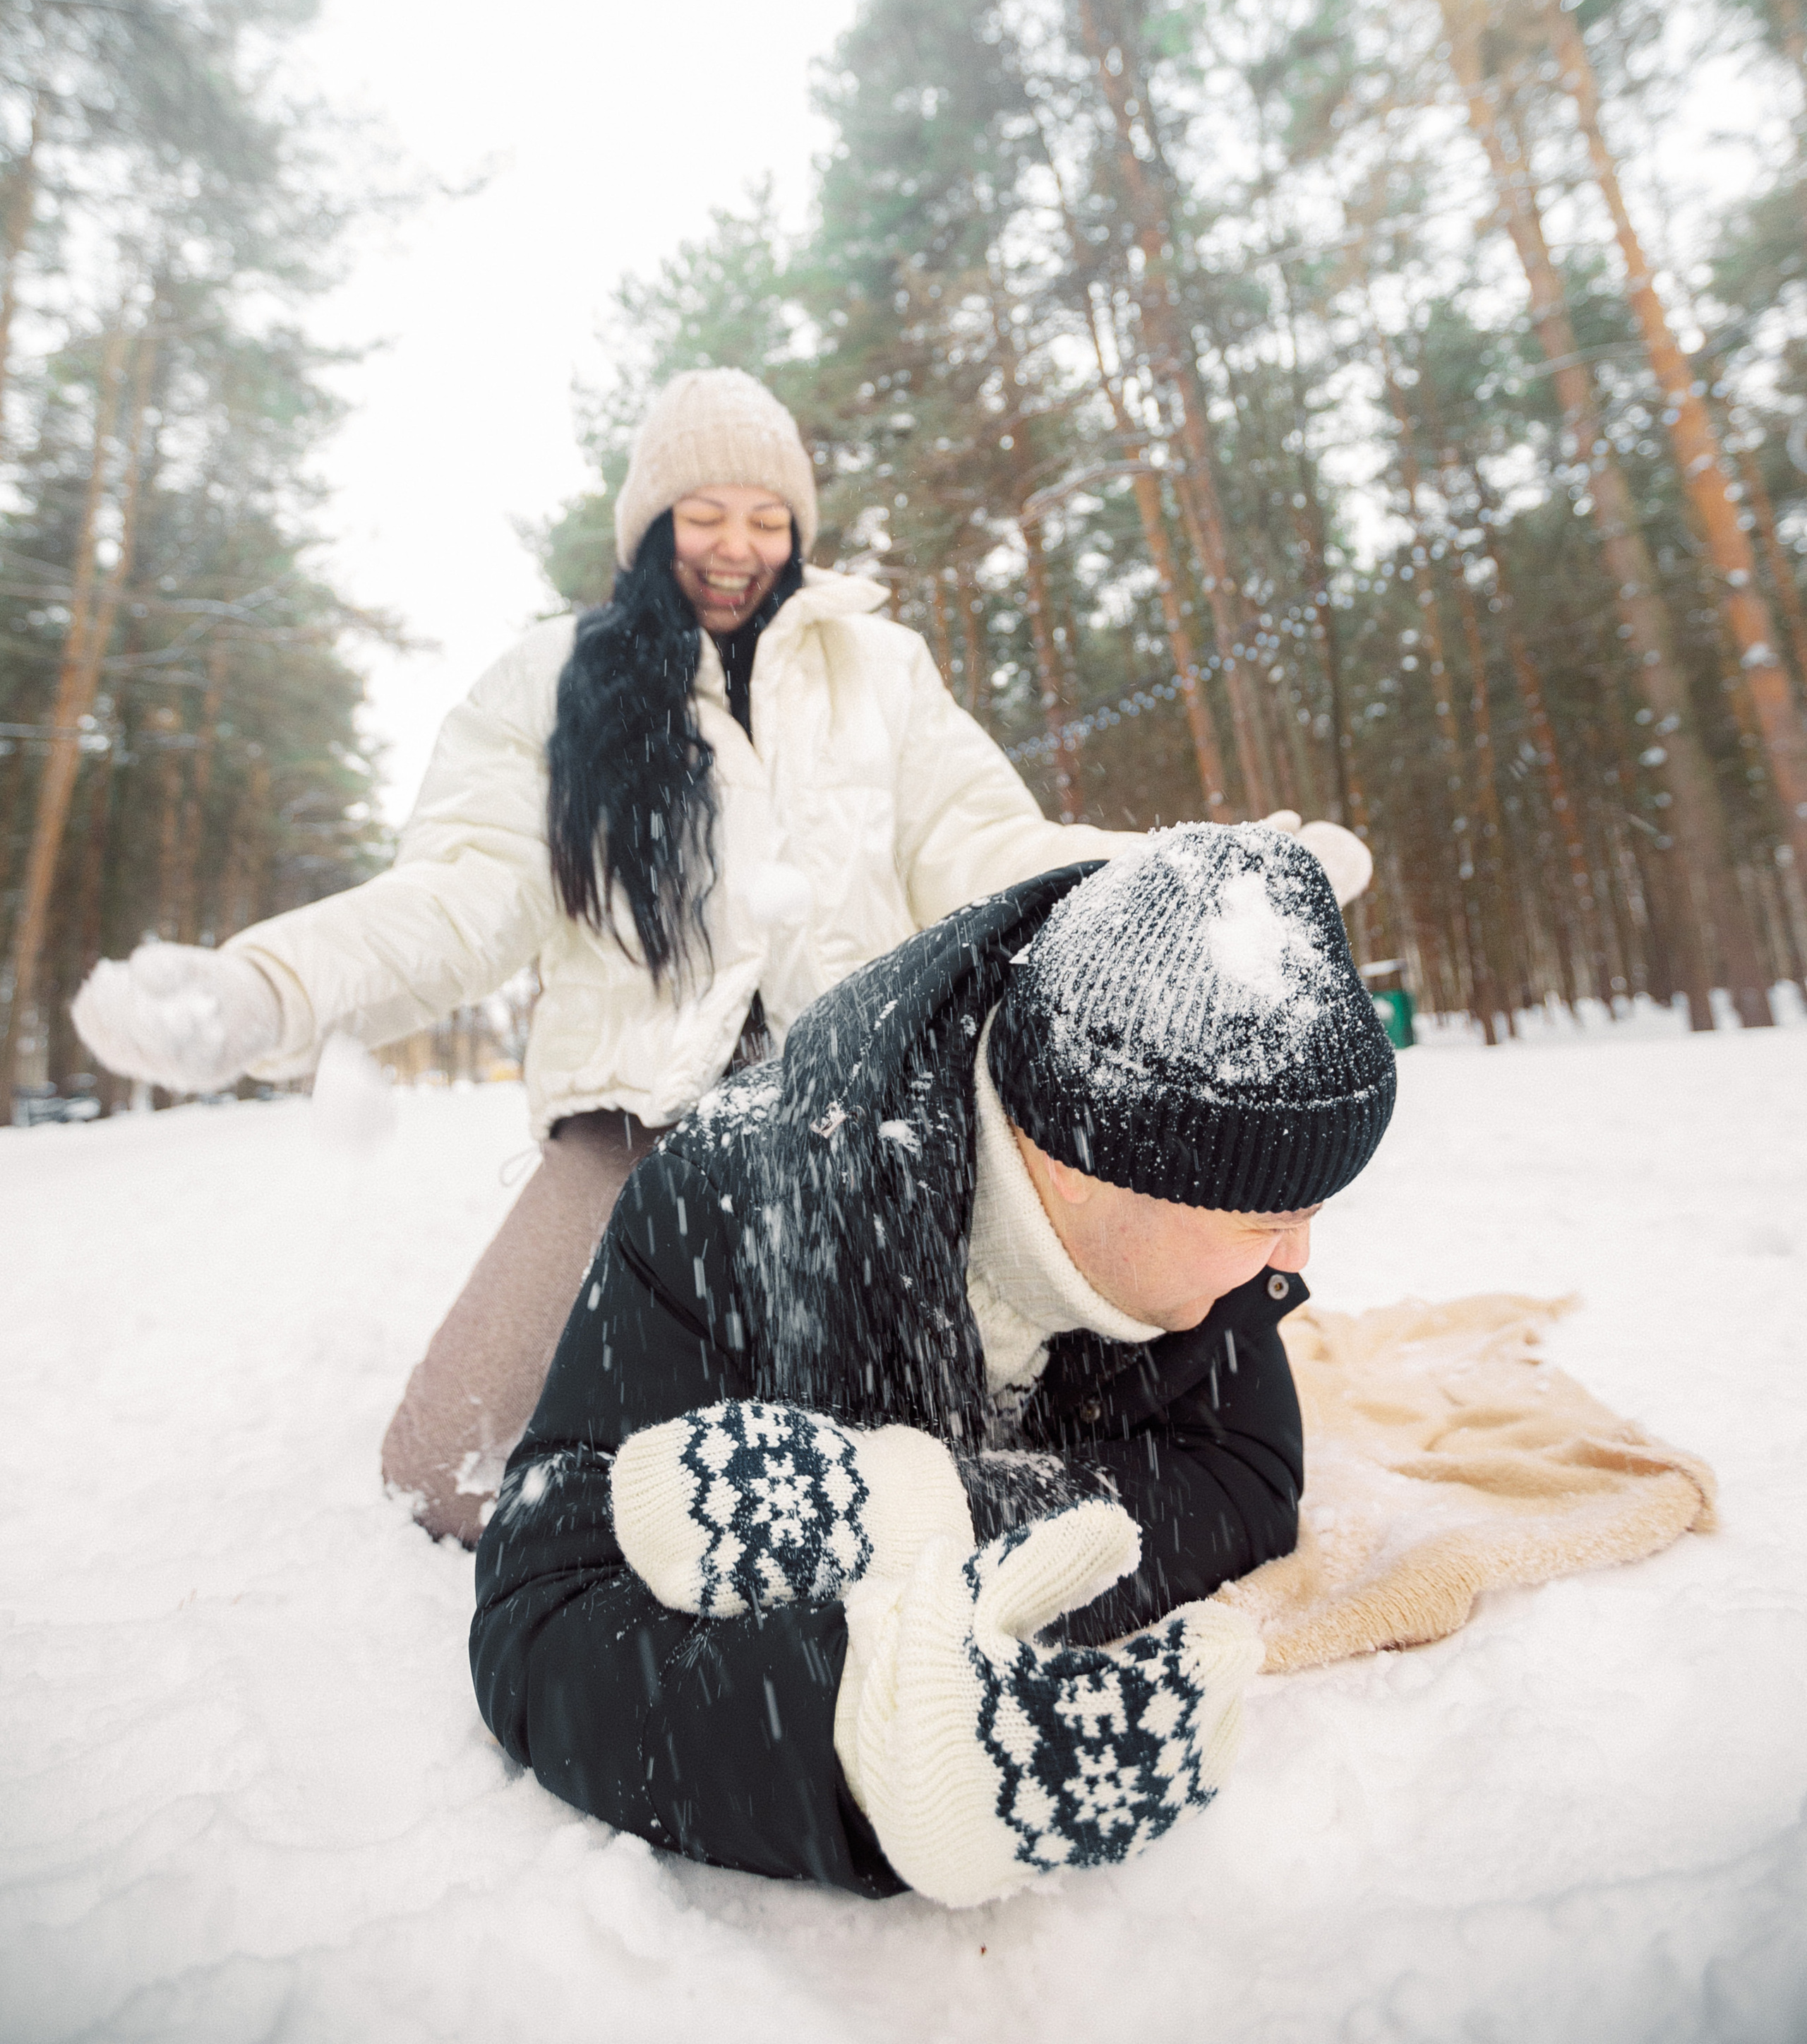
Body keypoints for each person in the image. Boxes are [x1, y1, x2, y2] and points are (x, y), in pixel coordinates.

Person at [70, 366, 1371, 1543]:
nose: (738, 545)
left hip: (872, 1099)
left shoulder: (881, 668)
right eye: (705, 513)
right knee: (450, 1472)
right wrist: (266, 989)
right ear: (650, 527)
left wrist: (1198, 887)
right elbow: (459, 895)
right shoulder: (556, 684)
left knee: (948, 1439)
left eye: (767, 515)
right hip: (637, 1117)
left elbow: (989, 844)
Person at [470, 821, 1398, 1908]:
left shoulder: (1194, 1210)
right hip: (665, 1109)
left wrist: (923, 1512)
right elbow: (549, 1610)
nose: (1296, 1260)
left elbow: (1237, 1478)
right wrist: (855, 1745)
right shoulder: (720, 1209)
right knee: (447, 1455)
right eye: (1270, 1220)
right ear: (1093, 1165)